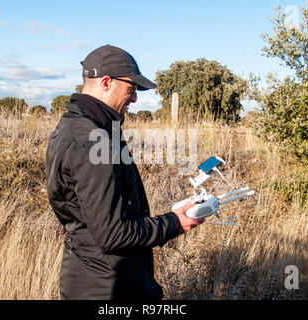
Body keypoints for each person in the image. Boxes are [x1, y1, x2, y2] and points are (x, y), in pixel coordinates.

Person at [46, 44, 204, 300]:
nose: (135, 99)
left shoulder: (76, 126)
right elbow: (114, 234)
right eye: (131, 88)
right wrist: (175, 222)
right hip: (108, 287)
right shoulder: (92, 140)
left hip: (95, 278)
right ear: (106, 82)